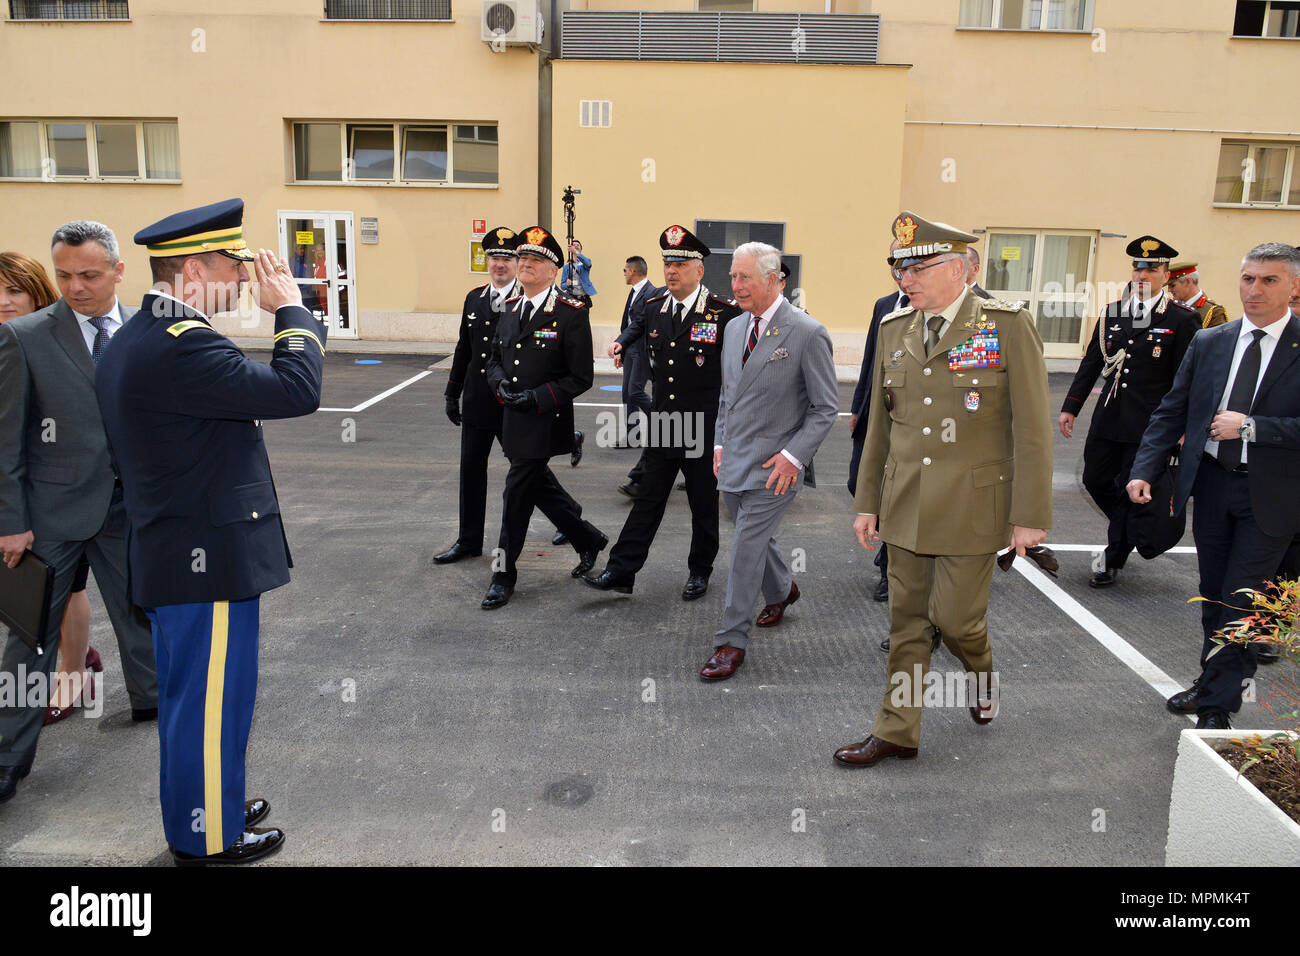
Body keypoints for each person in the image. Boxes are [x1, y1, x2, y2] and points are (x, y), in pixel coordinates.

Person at [96, 197, 325, 865]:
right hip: (204, 555)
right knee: (207, 702)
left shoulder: (143, 332)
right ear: (195, 271)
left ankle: (211, 799)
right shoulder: (182, 345)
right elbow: (295, 391)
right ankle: (207, 834)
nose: (248, 276)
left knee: (195, 696)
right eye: (237, 264)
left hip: (179, 548)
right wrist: (290, 307)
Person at [838, 211, 1053, 767]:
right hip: (906, 500)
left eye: (918, 267)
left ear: (960, 269)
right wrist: (867, 504)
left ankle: (981, 673)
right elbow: (880, 426)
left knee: (956, 620)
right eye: (898, 267)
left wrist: (1030, 515)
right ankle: (897, 731)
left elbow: (1031, 427)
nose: (904, 279)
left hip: (974, 505)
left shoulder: (1004, 325)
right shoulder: (895, 329)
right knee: (907, 622)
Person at [0, 223, 159, 805]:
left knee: (143, 613)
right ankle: (5, 761)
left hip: (130, 509)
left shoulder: (149, 328)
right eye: (64, 275)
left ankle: (151, 699)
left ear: (119, 271)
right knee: (27, 638)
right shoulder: (24, 338)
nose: (75, 287)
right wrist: (10, 520)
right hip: (49, 517)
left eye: (89, 275)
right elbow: (6, 439)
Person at [1128, 242, 1300, 730]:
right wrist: (1144, 467)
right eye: (1248, 278)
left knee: (1241, 598)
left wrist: (1252, 428)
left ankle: (1216, 707)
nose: (1255, 290)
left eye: (1269, 280)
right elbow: (1172, 408)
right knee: (1213, 594)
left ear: (1294, 286)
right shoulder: (1212, 341)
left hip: (1271, 498)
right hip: (1213, 486)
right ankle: (1214, 680)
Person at [699, 241, 838, 681]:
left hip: (776, 467)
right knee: (751, 538)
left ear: (774, 280)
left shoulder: (806, 332)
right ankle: (782, 588)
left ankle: (729, 641)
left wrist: (794, 458)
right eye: (733, 277)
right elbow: (727, 397)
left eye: (745, 278)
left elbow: (824, 409)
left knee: (743, 549)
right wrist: (720, 444)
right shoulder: (735, 328)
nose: (735, 286)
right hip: (735, 458)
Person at [584, 225, 741, 601]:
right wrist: (621, 342)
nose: (671, 270)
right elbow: (637, 326)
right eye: (667, 263)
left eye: (680, 264)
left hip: (704, 428)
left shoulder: (723, 314)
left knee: (703, 505)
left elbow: (735, 377)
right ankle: (621, 571)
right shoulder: (655, 307)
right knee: (648, 500)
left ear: (699, 271)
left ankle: (699, 571)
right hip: (665, 425)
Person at [1058, 236, 1200, 588]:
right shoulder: (1113, 313)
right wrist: (1071, 407)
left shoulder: (1182, 320)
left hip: (1150, 426)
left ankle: (1113, 556)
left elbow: (1186, 379)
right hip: (1109, 416)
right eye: (1137, 267)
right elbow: (1091, 363)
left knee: (1128, 488)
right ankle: (1131, 529)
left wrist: (1182, 427)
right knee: (1094, 479)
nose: (1142, 274)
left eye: (1151, 268)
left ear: (1166, 274)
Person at [481, 225, 608, 610]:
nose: (526, 265)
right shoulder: (509, 308)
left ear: (554, 271)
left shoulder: (570, 313)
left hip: (543, 418)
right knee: (538, 487)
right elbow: (494, 360)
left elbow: (580, 376)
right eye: (523, 259)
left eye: (536, 260)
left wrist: (536, 397)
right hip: (512, 420)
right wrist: (499, 384)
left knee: (516, 493)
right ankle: (587, 538)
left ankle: (504, 574)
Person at [0, 252, 102, 724]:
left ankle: (72, 670)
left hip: (48, 499)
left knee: (53, 591)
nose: (3, 302)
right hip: (13, 487)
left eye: (13, 292)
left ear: (36, 294)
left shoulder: (44, 340)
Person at [436, 227, 564, 564]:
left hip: (512, 404)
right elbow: (465, 348)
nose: (500, 264)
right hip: (479, 400)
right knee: (471, 470)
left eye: (507, 258)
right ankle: (468, 540)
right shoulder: (474, 298)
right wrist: (453, 392)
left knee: (529, 474)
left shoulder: (525, 300)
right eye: (494, 257)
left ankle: (568, 516)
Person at [849, 239, 906, 606]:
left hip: (906, 422)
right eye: (895, 260)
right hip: (875, 414)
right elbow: (871, 360)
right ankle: (887, 550)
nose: (900, 268)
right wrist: (857, 407)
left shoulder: (927, 307)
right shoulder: (884, 306)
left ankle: (890, 569)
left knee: (897, 493)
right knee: (861, 483)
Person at [606, 255, 660, 496]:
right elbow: (626, 322)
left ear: (634, 271)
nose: (624, 273)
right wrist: (621, 348)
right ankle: (632, 434)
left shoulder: (650, 292)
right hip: (630, 349)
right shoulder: (634, 291)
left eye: (625, 269)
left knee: (636, 392)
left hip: (641, 350)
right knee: (627, 395)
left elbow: (639, 322)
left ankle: (658, 420)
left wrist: (621, 343)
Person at [1167, 261, 1229, 329]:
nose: (1169, 290)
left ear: (1188, 282)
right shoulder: (1170, 308)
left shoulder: (1213, 312)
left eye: (1172, 285)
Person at [559, 239, 596, 306]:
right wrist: (567, 284)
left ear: (581, 249)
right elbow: (562, 286)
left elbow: (588, 264)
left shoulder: (585, 263)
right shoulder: (566, 267)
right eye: (573, 245)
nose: (576, 246)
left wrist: (576, 252)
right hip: (571, 298)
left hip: (583, 298)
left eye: (578, 245)